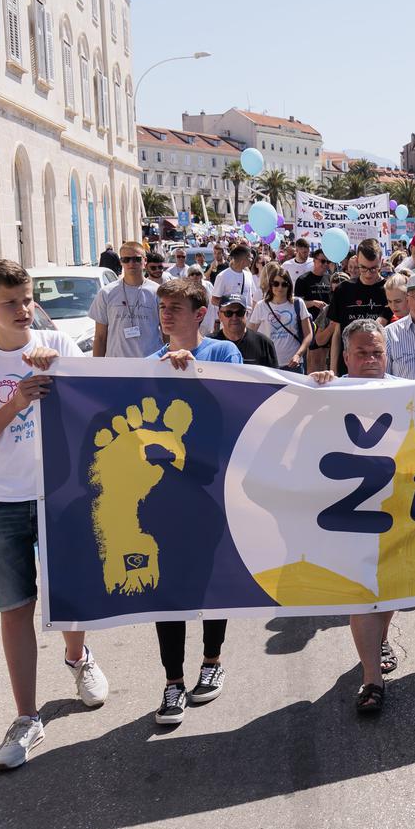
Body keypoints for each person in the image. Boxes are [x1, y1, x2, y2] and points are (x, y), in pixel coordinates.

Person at [0, 259, 107, 770]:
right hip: (2, 500)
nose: (23, 309)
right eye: (11, 302)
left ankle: (78, 659)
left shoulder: (57, 347)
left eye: (28, 299)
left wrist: (173, 359)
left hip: (61, 494)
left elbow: (105, 398)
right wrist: (14, 403)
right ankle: (26, 717)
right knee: (15, 607)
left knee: (71, 593)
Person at [147, 277, 242, 726]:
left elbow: (234, 402)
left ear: (200, 313)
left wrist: (195, 372)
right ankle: (172, 682)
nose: (166, 314)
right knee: (167, 590)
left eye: (176, 307)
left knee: (209, 581)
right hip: (163, 498)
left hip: (212, 490)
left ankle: (211, 660)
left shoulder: (222, 353)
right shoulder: (149, 363)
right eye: (162, 306)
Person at [309, 318, 402, 713]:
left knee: (390, 589)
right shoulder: (327, 390)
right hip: (347, 517)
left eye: (376, 352)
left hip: (396, 512)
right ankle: (371, 678)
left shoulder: (409, 393)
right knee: (363, 592)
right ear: (345, 355)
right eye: (361, 352)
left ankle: (380, 640)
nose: (369, 359)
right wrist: (314, 388)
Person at [323, 239, 391, 375]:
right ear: (356, 260)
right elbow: (337, 333)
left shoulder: (389, 290)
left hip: (379, 369)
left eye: (373, 268)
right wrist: (333, 369)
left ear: (381, 262)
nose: (368, 273)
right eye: (363, 268)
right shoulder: (343, 289)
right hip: (348, 367)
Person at [89, 240, 163, 358]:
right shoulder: (106, 293)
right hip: (117, 367)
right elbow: (100, 337)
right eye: (126, 259)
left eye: (136, 259)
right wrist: (99, 370)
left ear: (145, 261)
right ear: (121, 262)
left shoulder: (158, 292)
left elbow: (167, 332)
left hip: (151, 363)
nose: (131, 263)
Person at [249, 267, 313, 371]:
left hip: (293, 364)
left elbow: (309, 334)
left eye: (284, 284)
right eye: (276, 283)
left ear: (289, 286)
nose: (280, 287)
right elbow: (250, 333)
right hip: (269, 364)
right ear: (270, 284)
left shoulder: (298, 303)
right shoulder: (261, 305)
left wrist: (298, 355)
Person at [215, 295, 278, 366]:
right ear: (219, 315)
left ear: (246, 314)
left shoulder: (264, 344)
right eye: (228, 313)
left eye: (240, 312)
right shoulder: (210, 343)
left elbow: (273, 375)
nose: (234, 317)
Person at [211, 244, 262, 313]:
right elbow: (214, 300)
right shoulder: (222, 276)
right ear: (243, 259)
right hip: (230, 320)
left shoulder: (249, 275)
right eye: (250, 258)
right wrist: (232, 308)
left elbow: (253, 297)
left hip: (247, 319)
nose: (252, 260)